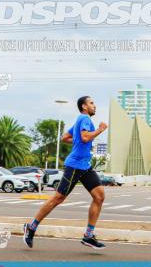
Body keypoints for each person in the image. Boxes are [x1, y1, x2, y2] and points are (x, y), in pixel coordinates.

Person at [24, 96, 109, 249]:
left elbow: (65, 137)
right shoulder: (85, 119)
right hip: (75, 165)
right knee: (58, 198)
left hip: (85, 166)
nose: (94, 106)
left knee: (99, 196)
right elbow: (84, 137)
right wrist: (100, 130)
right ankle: (31, 227)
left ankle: (88, 236)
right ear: (84, 106)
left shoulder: (81, 120)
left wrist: (79, 139)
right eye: (91, 103)